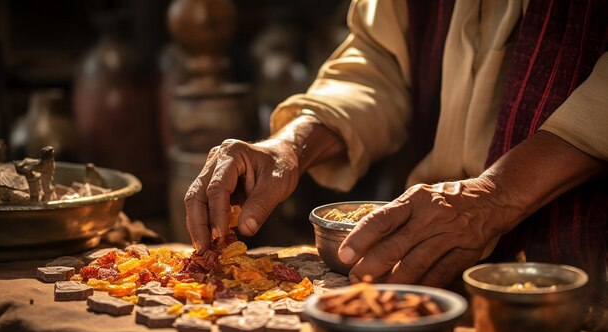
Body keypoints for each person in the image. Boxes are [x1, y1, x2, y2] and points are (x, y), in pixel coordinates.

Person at [185, 0, 608, 290]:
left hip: (585, 274)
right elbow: (378, 61)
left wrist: (494, 196)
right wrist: (291, 145)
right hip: (424, 261)